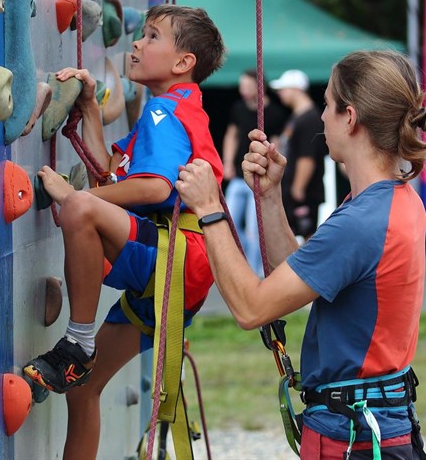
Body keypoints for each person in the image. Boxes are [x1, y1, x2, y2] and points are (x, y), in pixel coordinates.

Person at [176, 50, 426, 459]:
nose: (322, 117)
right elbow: (296, 277)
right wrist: (271, 198)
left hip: (354, 436)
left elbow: (251, 308)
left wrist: (209, 210)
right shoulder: (392, 201)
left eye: (327, 104)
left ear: (350, 117)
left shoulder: (362, 221)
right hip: (370, 425)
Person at [22, 4, 225, 459]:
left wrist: (73, 200)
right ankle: (81, 351)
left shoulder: (163, 112)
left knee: (79, 209)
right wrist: (91, 107)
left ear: (182, 63)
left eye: (151, 37)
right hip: (183, 268)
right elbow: (114, 177)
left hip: (177, 255)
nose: (136, 42)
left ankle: (78, 341)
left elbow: (153, 187)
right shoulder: (178, 111)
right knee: (83, 392)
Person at [222, 69, 287, 275]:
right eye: (241, 85)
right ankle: (243, 264)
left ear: (259, 87)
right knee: (229, 222)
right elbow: (231, 135)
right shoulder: (239, 108)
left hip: (259, 178)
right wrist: (228, 162)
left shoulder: (274, 112)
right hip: (239, 177)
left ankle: (255, 271)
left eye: (247, 85)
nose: (242, 89)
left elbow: (278, 144)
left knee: (255, 228)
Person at [270, 69, 329, 240]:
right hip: (292, 190)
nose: (280, 93)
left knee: (306, 239)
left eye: (283, 89)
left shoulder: (309, 119)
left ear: (296, 89)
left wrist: (298, 188)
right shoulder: (297, 117)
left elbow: (307, 157)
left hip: (304, 192)